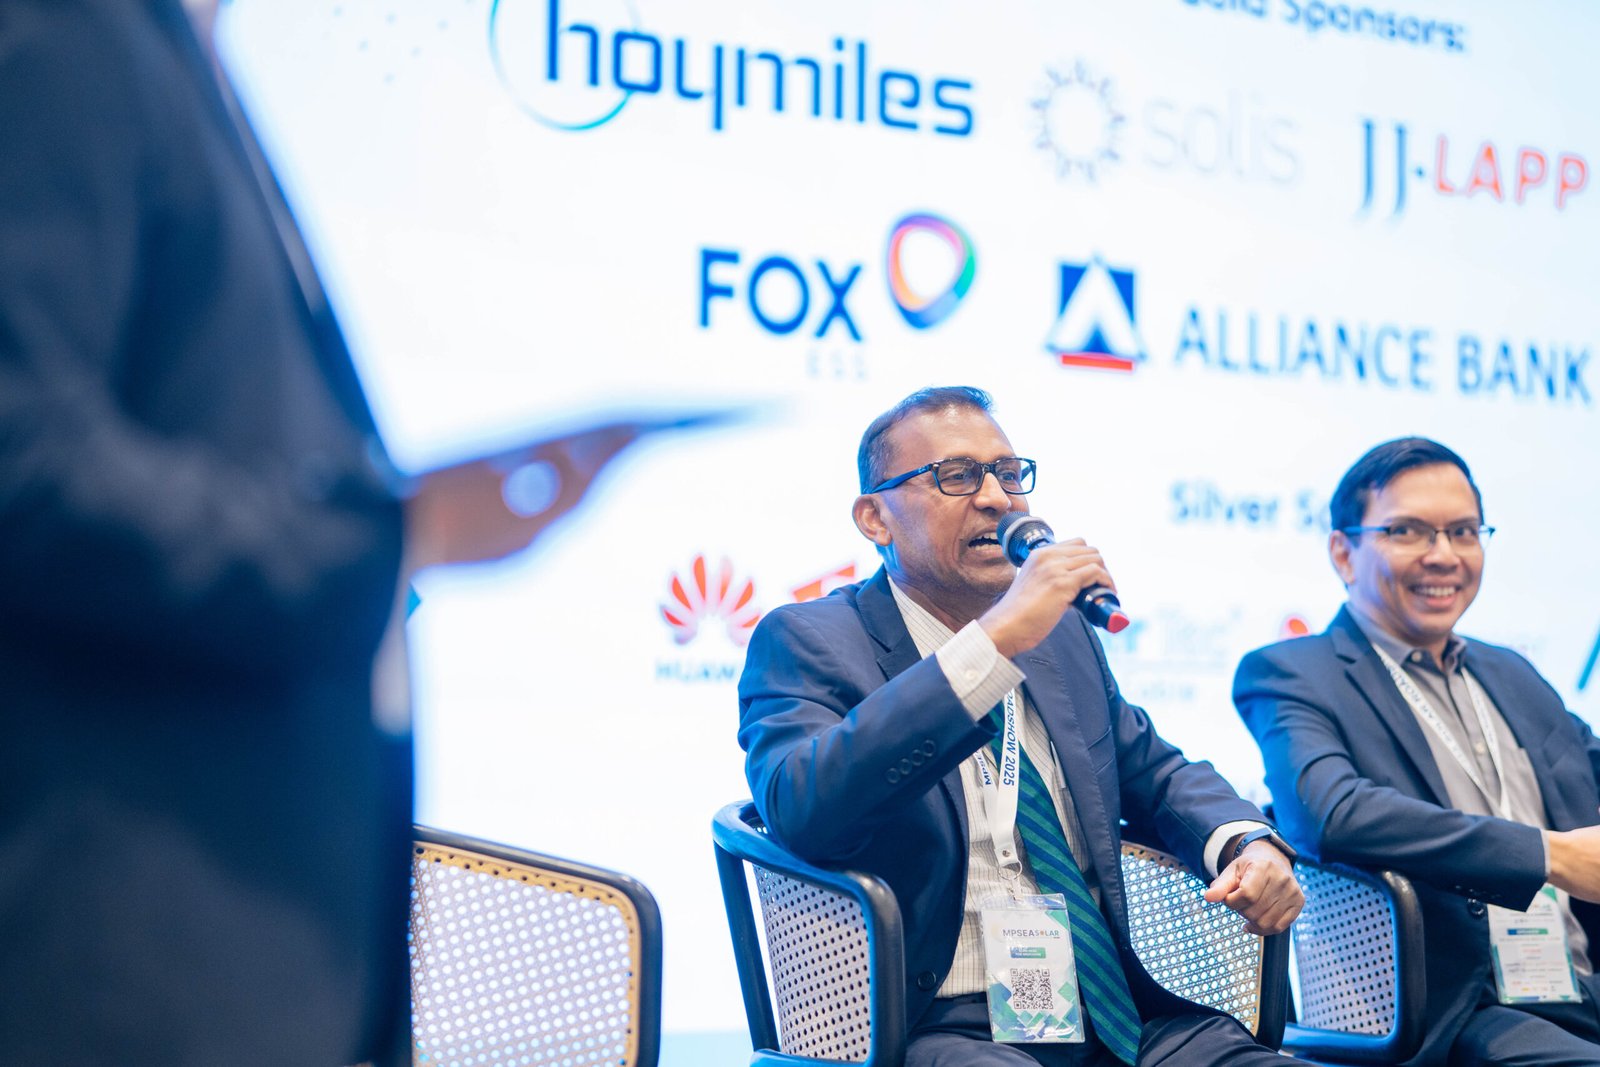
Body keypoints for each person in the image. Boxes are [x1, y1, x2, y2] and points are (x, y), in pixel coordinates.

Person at [0, 1, 635, 1062]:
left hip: (262, 958)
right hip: (129, 957)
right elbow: (24, 461)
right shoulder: (70, 36)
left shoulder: (190, 69)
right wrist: (392, 534)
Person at [738, 386, 1305, 1066]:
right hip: (943, 1024)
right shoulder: (810, 640)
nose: (996, 498)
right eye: (957, 476)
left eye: (1009, 474)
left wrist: (1246, 840)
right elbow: (802, 805)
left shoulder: (1062, 636)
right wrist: (991, 645)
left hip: (1113, 1014)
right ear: (875, 518)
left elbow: (1155, 771)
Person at [1234, 437, 1600, 1065]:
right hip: (1451, 1007)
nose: (1444, 555)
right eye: (1407, 531)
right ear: (1343, 552)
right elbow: (1331, 813)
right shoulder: (1293, 673)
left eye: (1464, 532)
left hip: (1576, 984)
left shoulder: (1511, 672)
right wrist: (1547, 855)